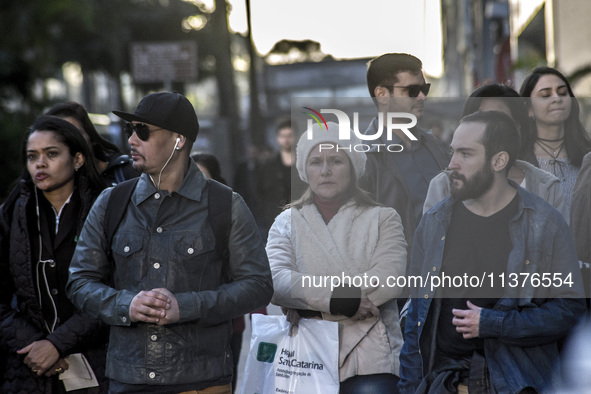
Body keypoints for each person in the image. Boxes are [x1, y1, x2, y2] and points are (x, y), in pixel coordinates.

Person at [66, 92, 273, 393]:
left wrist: (187, 306)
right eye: (130, 130)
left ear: (179, 140)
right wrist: (128, 304)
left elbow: (258, 285)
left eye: (143, 131)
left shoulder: (225, 204)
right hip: (129, 379)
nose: (132, 141)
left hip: (202, 381)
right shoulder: (111, 202)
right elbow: (79, 281)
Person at [399, 111, 585, 393]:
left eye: (465, 154)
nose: (451, 164)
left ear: (499, 161)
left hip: (514, 382)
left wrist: (496, 323)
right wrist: (410, 388)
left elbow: (570, 308)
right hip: (442, 382)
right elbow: (416, 317)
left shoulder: (544, 223)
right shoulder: (435, 222)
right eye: (452, 152)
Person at [266, 122, 408, 393]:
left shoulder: (383, 219)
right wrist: (340, 299)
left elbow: (389, 280)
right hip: (307, 356)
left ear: (354, 167)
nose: (326, 170)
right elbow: (275, 281)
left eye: (336, 160)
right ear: (305, 171)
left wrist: (308, 303)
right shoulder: (286, 222)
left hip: (370, 356)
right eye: (316, 161)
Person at [0, 115, 108, 393]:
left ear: (78, 159)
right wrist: (37, 346)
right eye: (32, 156)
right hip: (28, 365)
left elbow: (116, 291)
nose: (40, 164)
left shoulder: (107, 209)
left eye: (52, 154)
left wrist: (58, 343)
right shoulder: (11, 214)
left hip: (98, 363)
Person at [423, 83, 567, 221]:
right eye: (477, 118)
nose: (485, 127)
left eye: (496, 119)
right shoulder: (443, 185)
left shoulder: (547, 187)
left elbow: (560, 243)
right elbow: (431, 241)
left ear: (517, 127)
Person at [361, 53, 450, 266]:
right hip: (398, 286)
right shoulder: (362, 157)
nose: (422, 97)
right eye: (412, 90)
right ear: (382, 94)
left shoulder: (435, 146)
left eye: (424, 89)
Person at [519, 66, 591, 213]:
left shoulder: (586, 155)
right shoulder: (518, 160)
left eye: (563, 93)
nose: (557, 99)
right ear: (529, 109)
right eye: (545, 95)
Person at [45, 102, 139, 186]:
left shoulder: (128, 174)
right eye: (58, 138)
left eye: (74, 134)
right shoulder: (49, 184)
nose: (68, 142)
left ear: (91, 137)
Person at [257, 117, 307, 237]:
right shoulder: (267, 167)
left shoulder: (307, 164)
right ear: (277, 138)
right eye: (282, 135)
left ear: (297, 136)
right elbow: (259, 194)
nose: (286, 140)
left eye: (290, 135)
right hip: (274, 224)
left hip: (304, 224)